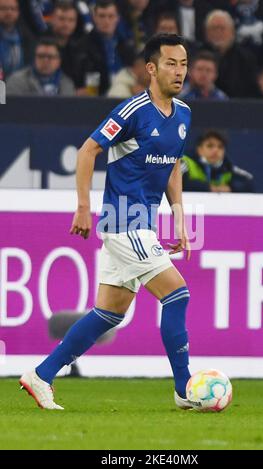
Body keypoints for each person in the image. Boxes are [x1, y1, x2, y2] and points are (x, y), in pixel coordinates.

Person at [20, 33, 194, 411]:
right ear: (151, 68)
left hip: (144, 224)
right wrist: (83, 206)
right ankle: (185, 390)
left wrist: (179, 218)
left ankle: (42, 374)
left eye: (183, 64)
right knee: (178, 294)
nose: (179, 71)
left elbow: (173, 167)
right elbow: (88, 149)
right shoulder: (133, 111)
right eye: (170, 63)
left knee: (109, 313)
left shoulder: (183, 114)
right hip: (123, 221)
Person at [204, 9, 257, 98]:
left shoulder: (246, 58)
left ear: (232, 32)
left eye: (222, 28)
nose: (218, 32)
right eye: (214, 28)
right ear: (206, 33)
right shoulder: (198, 56)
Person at [182, 130, 254, 193]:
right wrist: (209, 188)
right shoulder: (185, 162)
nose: (215, 150)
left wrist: (230, 188)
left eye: (220, 147)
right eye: (210, 146)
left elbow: (249, 182)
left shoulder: (228, 167)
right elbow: (179, 183)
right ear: (199, 149)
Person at [6, 37, 75, 96]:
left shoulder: (67, 84)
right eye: (41, 56)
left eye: (50, 57)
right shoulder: (16, 81)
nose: (45, 60)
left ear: (59, 61)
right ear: (34, 58)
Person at [0, 0, 35, 79]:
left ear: (18, 12)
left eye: (12, 9)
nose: (9, 12)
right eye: (3, 8)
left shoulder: (27, 37)